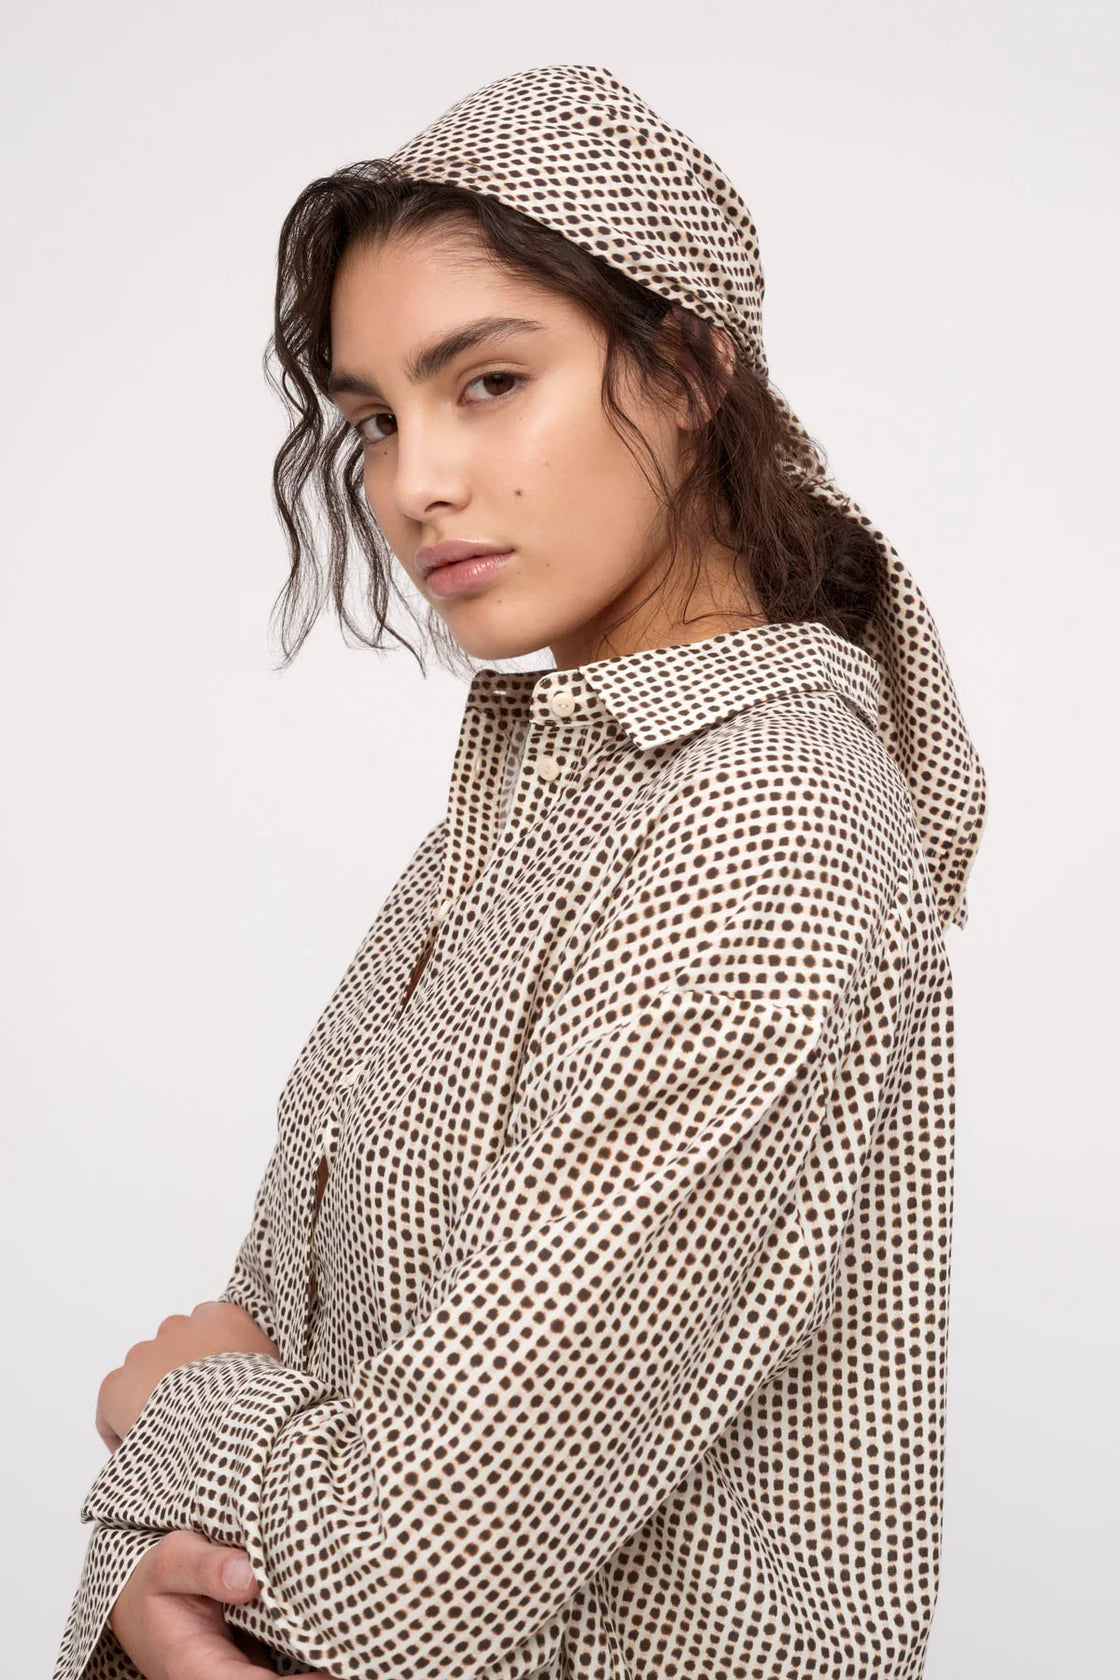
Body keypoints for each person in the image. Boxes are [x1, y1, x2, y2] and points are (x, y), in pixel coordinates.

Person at [52, 63, 987, 1680]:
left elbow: (414, 1559)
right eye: (375, 420)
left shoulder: (763, 824)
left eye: (487, 382)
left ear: (688, 370)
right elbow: (328, 1368)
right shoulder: (552, 797)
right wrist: (160, 1583)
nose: (414, 483)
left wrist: (180, 1407)